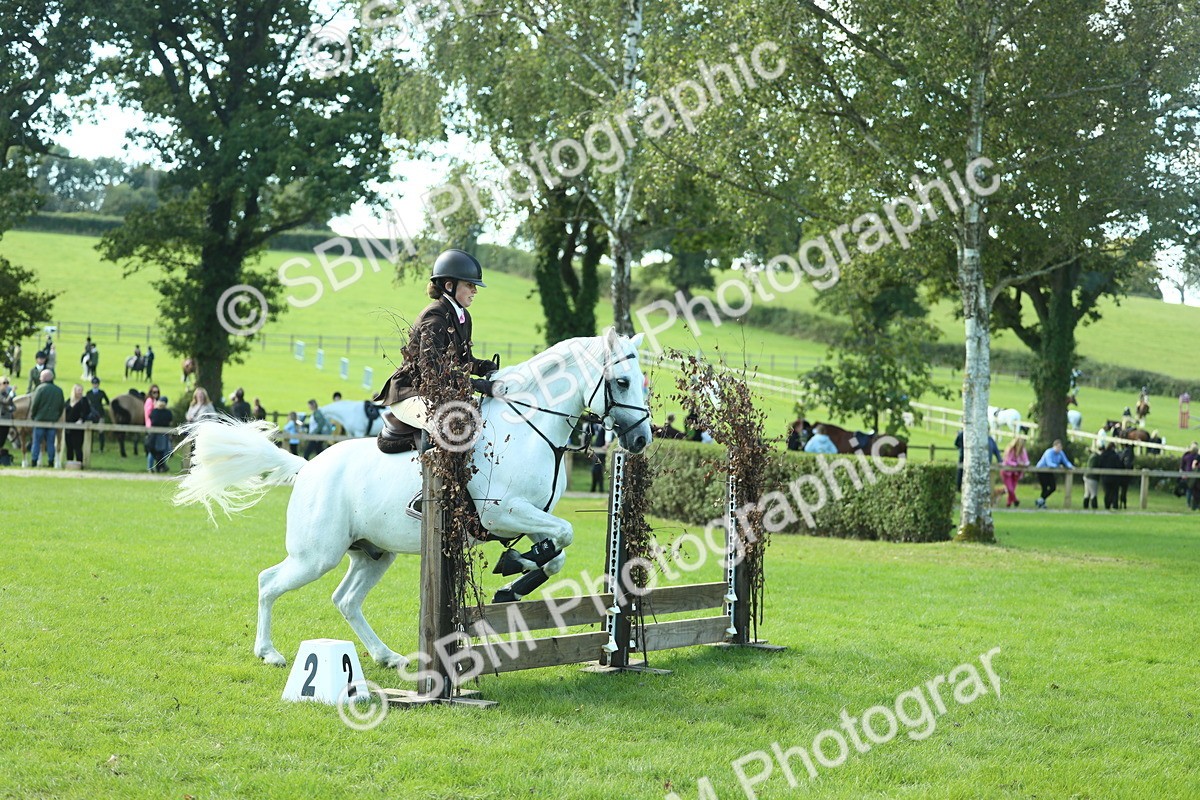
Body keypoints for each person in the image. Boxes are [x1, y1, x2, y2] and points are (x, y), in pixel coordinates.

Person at [373, 249, 498, 453]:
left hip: (433, 391)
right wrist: (476, 384)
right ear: (449, 286)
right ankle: (434, 485)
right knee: (446, 426)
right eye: (470, 285)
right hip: (409, 393)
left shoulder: (463, 316)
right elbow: (433, 369)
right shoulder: (435, 315)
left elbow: (461, 361)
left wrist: (482, 367)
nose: (475, 291)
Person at [29, 369, 65, 467]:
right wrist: (56, 416)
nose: (40, 378)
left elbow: (35, 405)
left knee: (36, 442)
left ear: (44, 378)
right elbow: (61, 406)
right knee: (50, 442)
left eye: (41, 376)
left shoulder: (40, 389)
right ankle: (50, 461)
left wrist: (33, 416)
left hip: (39, 420)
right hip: (52, 421)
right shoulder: (58, 390)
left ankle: (34, 461)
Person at [1034, 439, 1075, 508]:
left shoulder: (1061, 453)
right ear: (1054, 446)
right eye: (1058, 447)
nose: (1059, 449)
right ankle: (1042, 503)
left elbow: (1066, 461)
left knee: (1053, 487)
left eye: (1060, 447)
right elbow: (1049, 463)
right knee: (1045, 487)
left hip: (1049, 471)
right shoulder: (1049, 452)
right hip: (1042, 470)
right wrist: (1058, 466)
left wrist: (1071, 466)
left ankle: (1040, 500)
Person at [63, 383, 89, 464]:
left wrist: (81, 420)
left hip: (78, 429)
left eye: (81, 390)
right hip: (68, 428)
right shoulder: (69, 401)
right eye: (78, 390)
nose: (80, 392)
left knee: (77, 447)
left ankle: (79, 463)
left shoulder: (84, 401)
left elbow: (86, 412)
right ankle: (69, 463)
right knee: (69, 447)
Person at [147, 397, 174, 472]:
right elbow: (170, 422)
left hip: (154, 435)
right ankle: (160, 467)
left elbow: (151, 420)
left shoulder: (154, 411)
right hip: (162, 434)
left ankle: (151, 467)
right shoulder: (167, 412)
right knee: (162, 451)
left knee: (152, 451)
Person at [1000, 437, 1029, 508]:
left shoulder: (1023, 451)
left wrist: (1024, 464)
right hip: (1007, 472)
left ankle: (1009, 503)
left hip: (1016, 473)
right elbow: (1008, 461)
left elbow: (1026, 461)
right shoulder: (1010, 450)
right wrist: (1016, 464)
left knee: (1013, 488)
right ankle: (1015, 500)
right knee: (1010, 488)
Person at [1098, 442, 1124, 510]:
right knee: (1115, 492)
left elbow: (1100, 465)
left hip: (1105, 477)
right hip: (1114, 477)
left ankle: (1107, 505)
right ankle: (1115, 505)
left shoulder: (1103, 455)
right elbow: (1119, 466)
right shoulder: (1115, 456)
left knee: (1107, 492)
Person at [85, 377, 110, 449]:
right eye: (94, 384)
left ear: (98, 384)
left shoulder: (102, 392)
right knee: (90, 431)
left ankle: (101, 448)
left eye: (96, 384)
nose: (95, 385)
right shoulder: (88, 393)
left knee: (101, 431)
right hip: (91, 414)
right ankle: (90, 447)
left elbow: (107, 401)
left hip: (100, 414)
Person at [1083, 445, 1102, 510]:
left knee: (1087, 493)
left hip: (1086, 476)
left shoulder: (1093, 455)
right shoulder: (1097, 457)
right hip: (1092, 477)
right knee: (1093, 493)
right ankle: (1094, 507)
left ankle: (1085, 507)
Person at [1182, 442, 1200, 511]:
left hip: (1189, 474)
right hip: (1193, 475)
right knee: (1193, 490)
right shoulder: (1196, 456)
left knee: (1190, 489)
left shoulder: (1186, 456)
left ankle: (1189, 503)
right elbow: (1194, 465)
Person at [0, 376, 15, 452]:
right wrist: (12, 393)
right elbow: (5, 401)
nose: (6, 385)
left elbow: (13, 406)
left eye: (7, 383)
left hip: (7, 420)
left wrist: (10, 408)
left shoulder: (6, 394)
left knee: (3, 438)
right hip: (1, 420)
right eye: (4, 383)